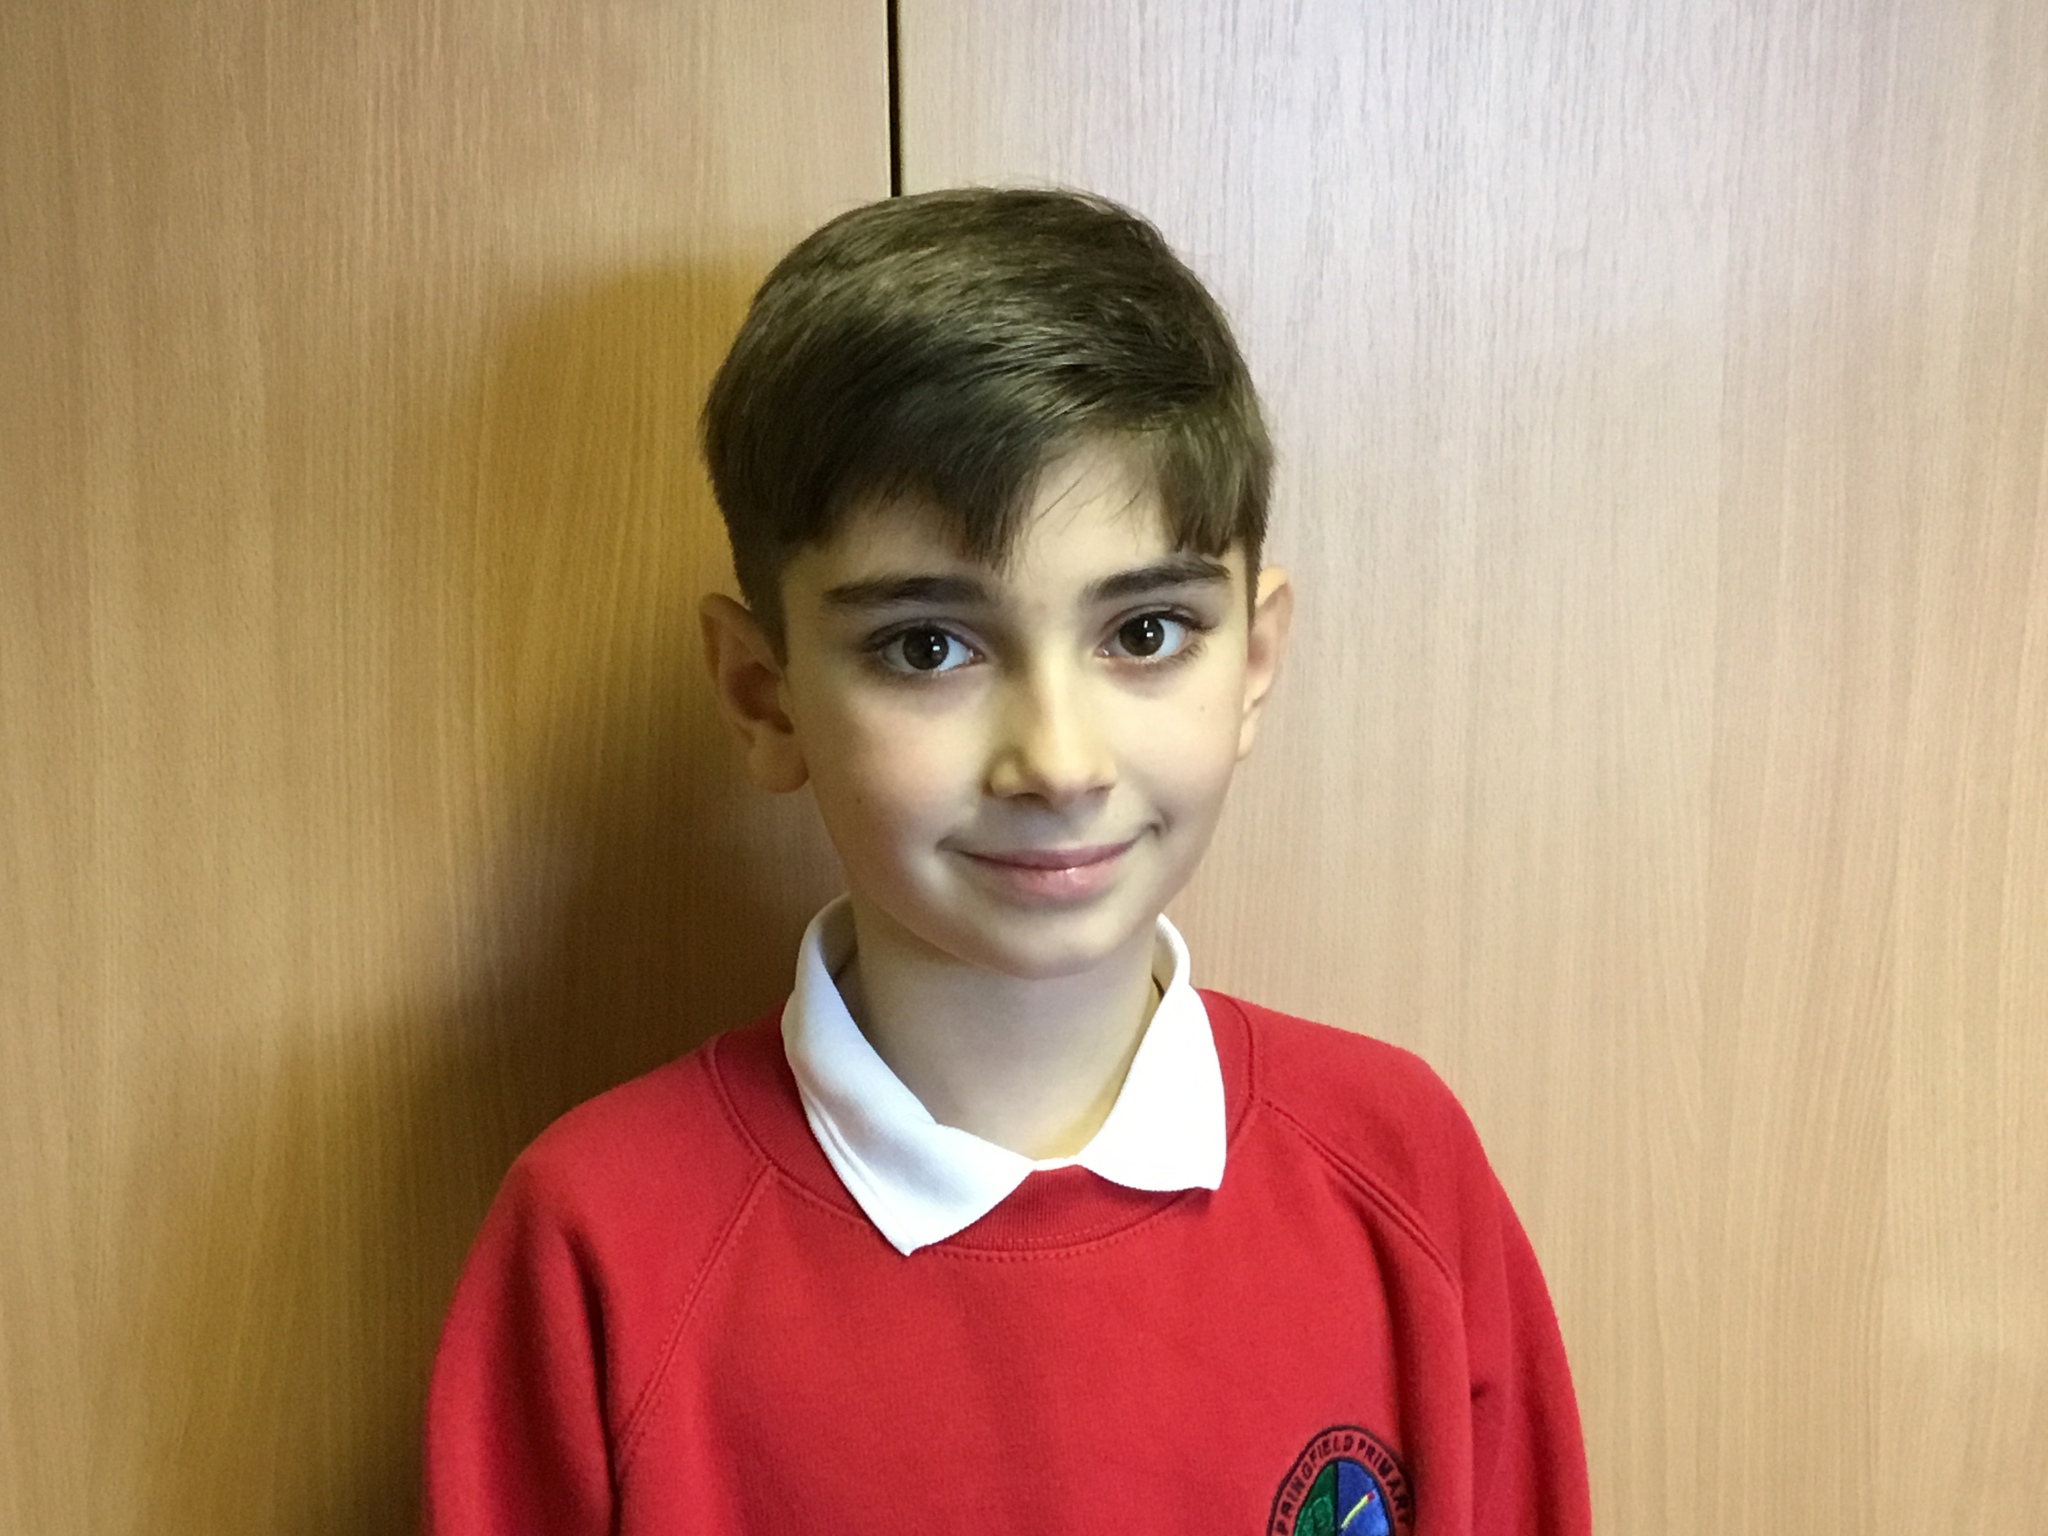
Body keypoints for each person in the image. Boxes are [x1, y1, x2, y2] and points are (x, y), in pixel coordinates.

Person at [423, 187, 1590, 1536]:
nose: (1059, 761)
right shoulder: (599, 1242)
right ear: (762, 695)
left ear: (1254, 664)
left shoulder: (1402, 1166)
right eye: (929, 647)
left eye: (1144, 633)